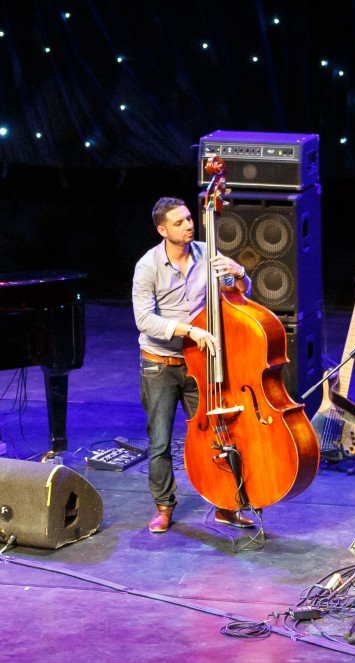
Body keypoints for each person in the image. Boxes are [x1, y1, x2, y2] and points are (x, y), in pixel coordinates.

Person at [131, 196, 257, 533]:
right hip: (160, 363)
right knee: (159, 440)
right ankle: (164, 506)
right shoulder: (148, 266)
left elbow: (238, 295)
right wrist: (189, 330)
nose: (188, 225)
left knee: (218, 433)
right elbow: (144, 319)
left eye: (189, 219)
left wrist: (238, 273)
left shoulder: (208, 253)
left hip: (200, 363)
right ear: (162, 229)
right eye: (178, 222)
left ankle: (226, 504)